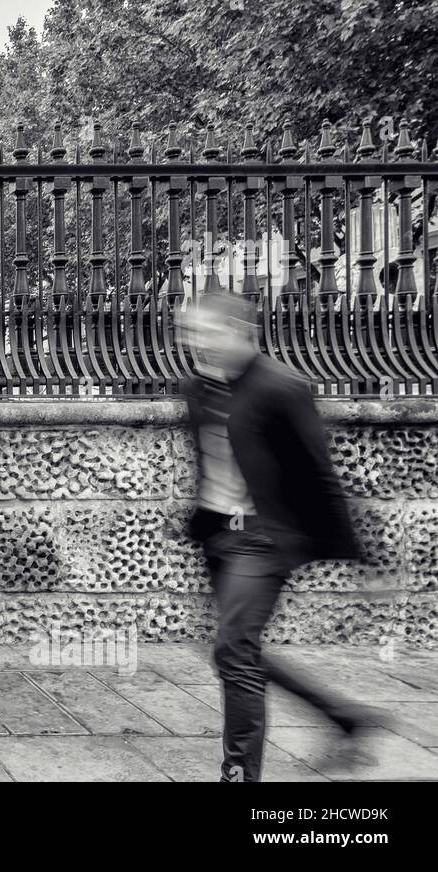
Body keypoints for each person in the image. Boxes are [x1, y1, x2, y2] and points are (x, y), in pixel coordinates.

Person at [176, 292, 372, 782]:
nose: (198, 344)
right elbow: (213, 462)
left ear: (240, 330)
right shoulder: (197, 389)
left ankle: (239, 774)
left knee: (233, 649)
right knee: (238, 651)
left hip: (263, 539)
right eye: (191, 334)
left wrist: (362, 558)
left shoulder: (282, 386)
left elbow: (319, 473)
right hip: (220, 537)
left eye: (208, 332)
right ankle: (346, 719)